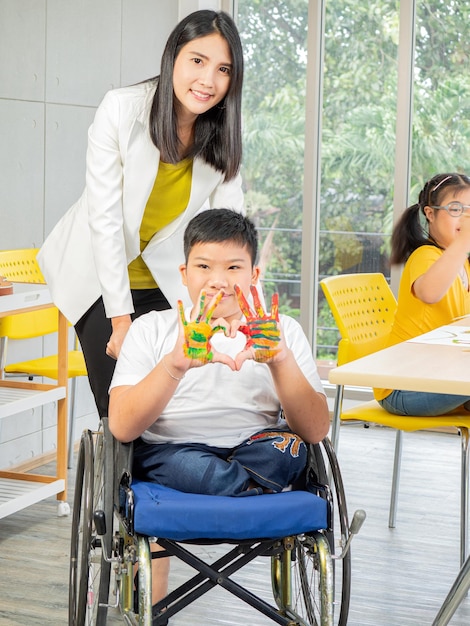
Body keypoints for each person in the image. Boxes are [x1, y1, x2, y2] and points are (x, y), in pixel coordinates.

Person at [108, 208, 330, 607]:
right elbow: (122, 428)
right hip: (175, 454)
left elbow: (314, 431)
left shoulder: (280, 330)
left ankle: (241, 481)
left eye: (233, 267)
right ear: (184, 273)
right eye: (204, 266)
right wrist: (175, 364)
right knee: (193, 466)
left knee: (292, 448)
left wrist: (280, 360)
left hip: (256, 446)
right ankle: (249, 486)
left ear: (253, 275)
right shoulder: (152, 329)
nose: (218, 280)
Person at [37, 10, 245, 418]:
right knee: (122, 409)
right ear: (173, 57)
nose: (208, 80)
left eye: (223, 69)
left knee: (171, 404)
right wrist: (120, 322)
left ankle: (156, 483)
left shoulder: (224, 132)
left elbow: (231, 231)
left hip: (163, 280)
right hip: (98, 277)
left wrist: (237, 308)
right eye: (197, 61)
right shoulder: (121, 109)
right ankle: (114, 482)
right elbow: (106, 221)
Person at [374, 172, 470, 416]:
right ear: (430, 213)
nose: (467, 217)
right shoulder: (425, 256)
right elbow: (430, 293)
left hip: (441, 375)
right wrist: (464, 241)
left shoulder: (464, 264)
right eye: (457, 209)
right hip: (403, 386)